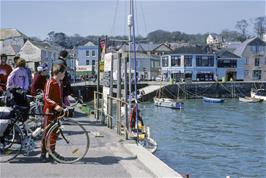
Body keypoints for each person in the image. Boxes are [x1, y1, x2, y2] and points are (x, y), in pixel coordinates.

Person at [40, 63, 66, 162]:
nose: (64, 74)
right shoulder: (50, 82)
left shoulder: (59, 83)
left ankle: (52, 152)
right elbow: (46, 97)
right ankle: (43, 153)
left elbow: (59, 97)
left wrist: (64, 106)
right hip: (49, 111)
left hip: (57, 112)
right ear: (59, 73)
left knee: (55, 132)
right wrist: (55, 105)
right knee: (46, 132)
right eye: (64, 73)